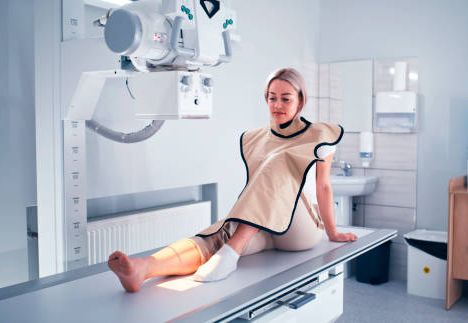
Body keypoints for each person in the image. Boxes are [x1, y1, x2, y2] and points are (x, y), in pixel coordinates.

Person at [108, 68, 357, 292]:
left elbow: (323, 186)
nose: (277, 105)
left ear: (301, 100)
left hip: (301, 230)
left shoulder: (319, 134)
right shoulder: (255, 137)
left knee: (277, 162)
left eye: (286, 98)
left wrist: (332, 232)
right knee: (217, 233)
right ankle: (143, 269)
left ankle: (232, 250)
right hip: (267, 227)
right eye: (272, 97)